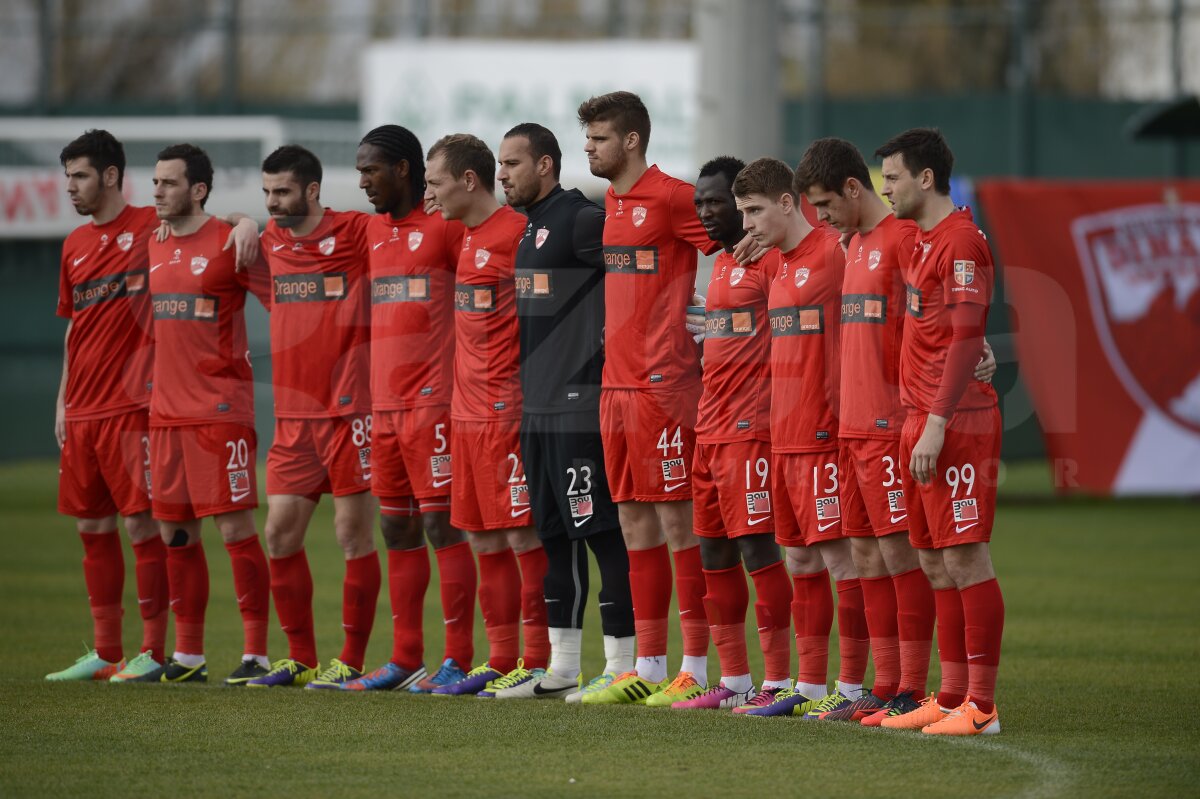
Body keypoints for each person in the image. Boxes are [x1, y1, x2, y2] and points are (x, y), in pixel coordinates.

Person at [795, 137, 997, 724]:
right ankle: (896, 687)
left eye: (829, 204)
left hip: (905, 421)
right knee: (876, 554)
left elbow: (955, 321)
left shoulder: (914, 237)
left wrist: (976, 351)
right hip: (865, 425)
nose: (887, 188)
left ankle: (924, 687)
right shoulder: (857, 242)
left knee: (919, 556)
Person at [575, 91, 716, 704]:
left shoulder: (673, 195)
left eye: (599, 138)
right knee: (634, 523)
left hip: (667, 388)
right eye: (587, 138)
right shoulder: (610, 200)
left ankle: (700, 669)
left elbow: (739, 244)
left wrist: (718, 309)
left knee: (680, 525)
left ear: (632, 140)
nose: (589, 147)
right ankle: (648, 669)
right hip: (617, 387)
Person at [490, 123, 636, 701]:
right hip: (538, 410)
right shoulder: (529, 232)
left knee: (602, 534)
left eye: (512, 163)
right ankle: (563, 669)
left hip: (580, 407)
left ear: (545, 165)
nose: (503, 174)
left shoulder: (580, 220)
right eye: (500, 164)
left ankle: (624, 665)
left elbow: (636, 274)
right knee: (553, 536)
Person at [123, 143, 273, 685]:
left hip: (220, 412)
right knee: (176, 535)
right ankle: (188, 656)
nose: (157, 191)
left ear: (198, 190)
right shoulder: (153, 242)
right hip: (165, 415)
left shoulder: (231, 242)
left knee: (235, 529)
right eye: (155, 182)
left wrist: (245, 221)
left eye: (168, 183)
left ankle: (255, 652)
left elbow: (285, 300)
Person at [724, 157, 868, 719]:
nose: (748, 224)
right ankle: (807, 687)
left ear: (789, 202)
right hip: (780, 438)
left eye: (755, 210)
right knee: (801, 565)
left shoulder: (835, 252)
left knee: (842, 564)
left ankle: (853, 689)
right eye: (743, 213)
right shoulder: (773, 265)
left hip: (825, 435)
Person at [338, 125, 480, 694]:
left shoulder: (445, 226)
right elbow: (304, 227)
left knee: (441, 524)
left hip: (436, 405)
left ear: (403, 169)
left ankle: (460, 659)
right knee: (395, 526)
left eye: (371, 169)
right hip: (385, 409)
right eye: (358, 170)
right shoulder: (371, 229)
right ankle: (404, 659)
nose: (363, 180)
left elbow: (498, 234)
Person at [872, 128, 1004, 735]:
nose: (886, 187)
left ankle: (982, 706)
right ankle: (951, 696)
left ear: (926, 179)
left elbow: (967, 338)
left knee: (966, 559)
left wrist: (937, 423)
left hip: (954, 424)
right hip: (919, 421)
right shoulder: (919, 240)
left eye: (893, 176)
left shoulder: (961, 243)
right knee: (931, 562)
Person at [245, 145, 381, 689]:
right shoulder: (267, 243)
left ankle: (348, 660)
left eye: (282, 192)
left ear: (313, 191)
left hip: (351, 412)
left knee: (353, 534)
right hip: (294, 419)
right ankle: (299, 657)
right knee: (278, 534)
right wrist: (237, 223)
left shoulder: (355, 232)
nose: (273, 204)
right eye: (267, 194)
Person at [663, 156, 795, 712]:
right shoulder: (718, 263)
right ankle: (735, 680)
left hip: (751, 430)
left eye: (717, 203)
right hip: (710, 428)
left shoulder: (768, 260)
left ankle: (782, 680)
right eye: (701, 204)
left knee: (757, 548)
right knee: (711, 552)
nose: (706, 213)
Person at [422, 133, 550, 697]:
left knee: (523, 538)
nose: (429, 195)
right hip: (465, 413)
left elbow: (552, 319)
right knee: (482, 538)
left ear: (467, 181)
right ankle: (498, 659)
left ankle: (539, 659)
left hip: (507, 411)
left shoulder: (519, 236)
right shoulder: (460, 235)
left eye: (435, 183)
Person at [47, 129, 167, 681]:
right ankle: (105, 651)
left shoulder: (150, 228)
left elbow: (210, 225)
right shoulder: (72, 244)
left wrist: (240, 225)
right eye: (68, 175)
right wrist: (61, 402)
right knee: (91, 530)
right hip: (83, 413)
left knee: (142, 528)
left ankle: (153, 652)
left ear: (111, 175)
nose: (70, 187)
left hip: (132, 409)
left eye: (80, 176)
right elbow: (74, 331)